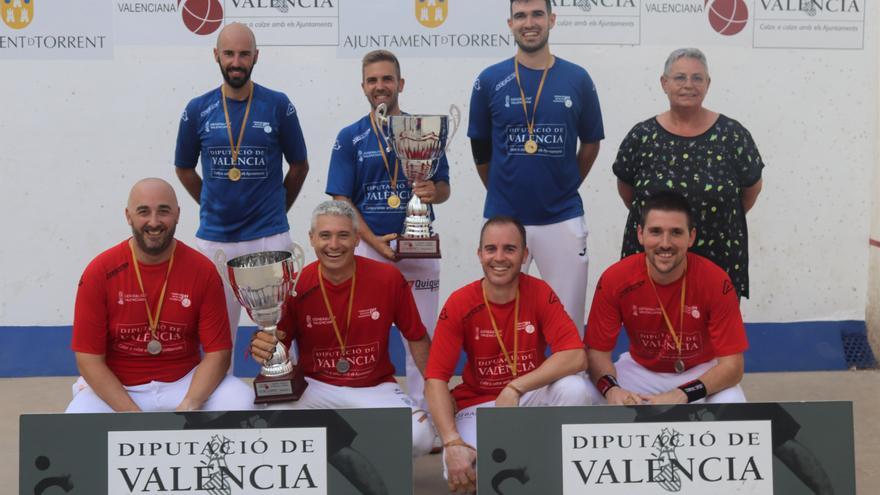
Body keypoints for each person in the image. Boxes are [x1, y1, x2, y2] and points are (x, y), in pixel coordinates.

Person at [250, 200, 435, 456]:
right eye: (325, 236)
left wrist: (437, 390)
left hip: (375, 387)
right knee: (269, 422)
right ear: (312, 239)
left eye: (343, 235)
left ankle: (354, 452)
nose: (334, 245)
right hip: (315, 387)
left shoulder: (388, 278)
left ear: (358, 239)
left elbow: (416, 338)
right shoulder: (294, 284)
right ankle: (340, 457)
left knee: (421, 438)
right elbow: (277, 340)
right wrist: (264, 345)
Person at [174, 22, 309, 366]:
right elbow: (184, 168)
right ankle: (219, 405)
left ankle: (284, 395)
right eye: (229, 53)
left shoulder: (278, 105)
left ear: (256, 57)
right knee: (215, 336)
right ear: (216, 55)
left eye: (244, 54)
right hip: (215, 240)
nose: (236, 61)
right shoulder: (196, 109)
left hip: (269, 237)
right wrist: (211, 201)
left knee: (280, 332)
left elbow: (299, 165)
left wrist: (277, 208)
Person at [468, 0, 604, 337]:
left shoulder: (578, 78)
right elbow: (481, 150)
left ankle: (569, 388)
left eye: (537, 15)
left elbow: (590, 144)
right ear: (510, 23)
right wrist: (503, 189)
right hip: (504, 218)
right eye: (521, 16)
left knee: (568, 322)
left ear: (551, 20)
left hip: (562, 216)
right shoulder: (489, 80)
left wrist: (566, 183)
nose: (529, 23)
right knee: (498, 316)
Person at [425, 216, 590, 493]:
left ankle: (556, 467)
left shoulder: (539, 292)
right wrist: (452, 442)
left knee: (576, 389)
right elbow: (435, 380)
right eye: (491, 249)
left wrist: (515, 387)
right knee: (467, 472)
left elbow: (576, 356)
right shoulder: (460, 302)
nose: (499, 258)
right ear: (479, 254)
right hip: (477, 407)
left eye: (509, 249)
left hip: (526, 397)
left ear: (524, 255)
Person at [326, 49, 450, 406]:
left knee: (422, 336)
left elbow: (443, 188)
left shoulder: (425, 130)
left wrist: (432, 191)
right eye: (373, 80)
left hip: (419, 250)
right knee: (364, 336)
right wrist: (374, 244)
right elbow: (341, 200)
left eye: (387, 79)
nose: (380, 86)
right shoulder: (350, 137)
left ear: (401, 83)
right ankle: (367, 407)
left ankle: (427, 414)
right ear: (363, 86)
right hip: (369, 251)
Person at [66, 178, 254, 413]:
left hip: (185, 383)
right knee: (78, 416)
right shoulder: (99, 272)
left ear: (177, 214)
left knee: (242, 401)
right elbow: (88, 359)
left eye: (163, 211)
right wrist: (131, 414)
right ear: (128, 216)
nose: (153, 222)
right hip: (121, 387)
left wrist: (191, 402)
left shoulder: (202, 270)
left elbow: (218, 353)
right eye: (143, 212)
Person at [613, 47, 764, 299]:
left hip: (718, 255)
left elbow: (751, 189)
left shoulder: (733, 135)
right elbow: (628, 191)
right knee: (651, 332)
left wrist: (717, 216)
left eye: (697, 78)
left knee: (714, 335)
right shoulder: (642, 136)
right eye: (680, 77)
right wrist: (665, 228)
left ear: (708, 84)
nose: (688, 85)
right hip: (657, 258)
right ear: (664, 83)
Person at [584, 191, 747, 406]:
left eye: (676, 232)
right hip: (639, 371)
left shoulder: (716, 281)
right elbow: (597, 354)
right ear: (640, 234)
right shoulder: (615, 278)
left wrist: (683, 393)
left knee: (733, 401)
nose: (665, 243)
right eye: (656, 232)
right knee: (583, 392)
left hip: (698, 373)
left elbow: (733, 367)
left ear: (691, 237)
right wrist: (612, 390)